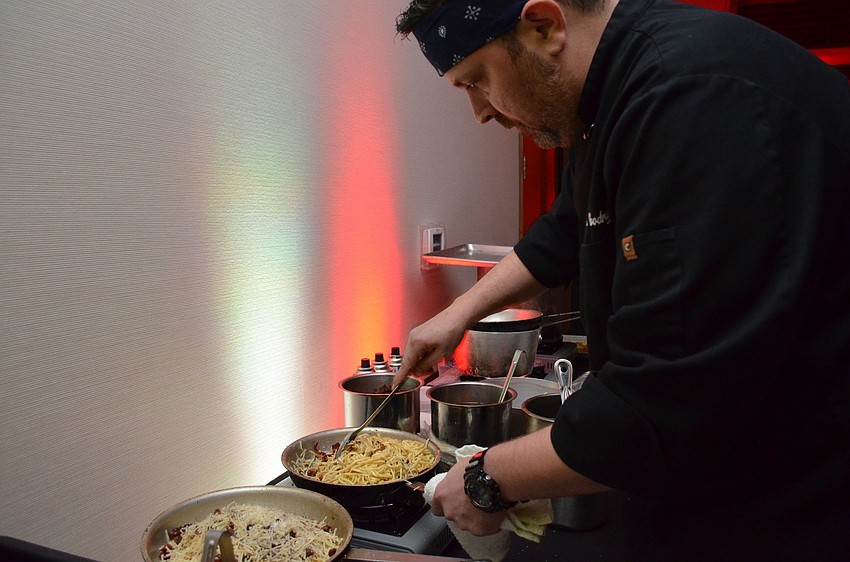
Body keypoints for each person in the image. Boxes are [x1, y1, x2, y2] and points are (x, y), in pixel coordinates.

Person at [392, 0, 850, 560]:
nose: (479, 114)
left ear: (544, 26)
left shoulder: (692, 101)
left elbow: (658, 403)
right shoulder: (615, 98)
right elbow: (565, 230)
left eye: (479, 81)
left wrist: (486, 478)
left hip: (800, 501)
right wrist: (456, 315)